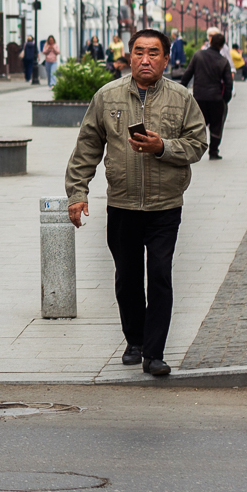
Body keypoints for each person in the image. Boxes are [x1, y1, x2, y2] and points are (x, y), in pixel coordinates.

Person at [64, 30, 208, 377]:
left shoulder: (181, 97)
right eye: (139, 52)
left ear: (166, 59)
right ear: (129, 57)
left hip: (165, 205)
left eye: (153, 53)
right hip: (123, 205)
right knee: (127, 277)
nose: (146, 59)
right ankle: (135, 339)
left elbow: (198, 143)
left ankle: (154, 352)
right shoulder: (107, 96)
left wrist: (163, 148)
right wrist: (77, 192)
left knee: (159, 275)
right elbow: (87, 147)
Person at [179, 28, 235, 161]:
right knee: (217, 125)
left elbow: (187, 74)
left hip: (199, 97)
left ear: (210, 42)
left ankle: (192, 151)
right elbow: (229, 83)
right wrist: (225, 99)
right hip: (216, 98)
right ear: (222, 46)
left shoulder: (198, 55)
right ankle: (214, 151)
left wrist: (180, 90)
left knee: (197, 125)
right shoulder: (223, 61)